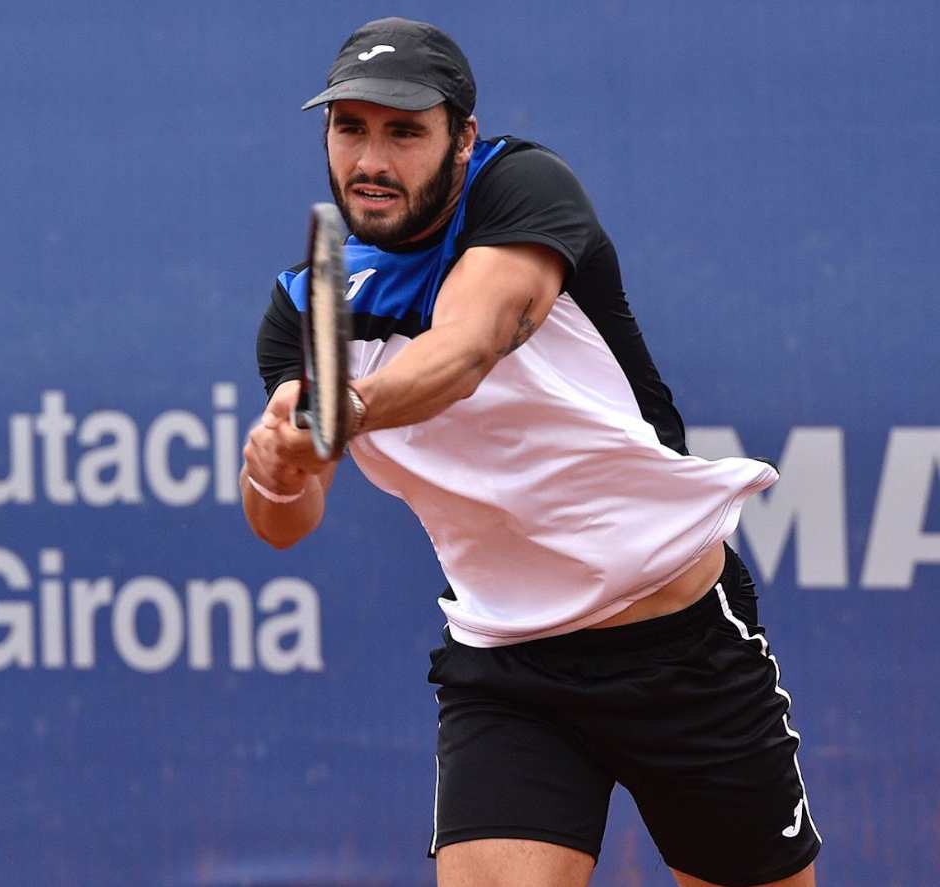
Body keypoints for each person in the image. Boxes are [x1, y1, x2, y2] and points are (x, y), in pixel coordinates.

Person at [240, 17, 821, 887]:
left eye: (404, 131)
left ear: (460, 138)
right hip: (506, 668)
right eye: (349, 127)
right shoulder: (306, 310)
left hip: (679, 647)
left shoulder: (520, 190)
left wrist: (342, 408)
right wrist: (275, 471)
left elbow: (467, 348)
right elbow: (286, 523)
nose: (370, 159)